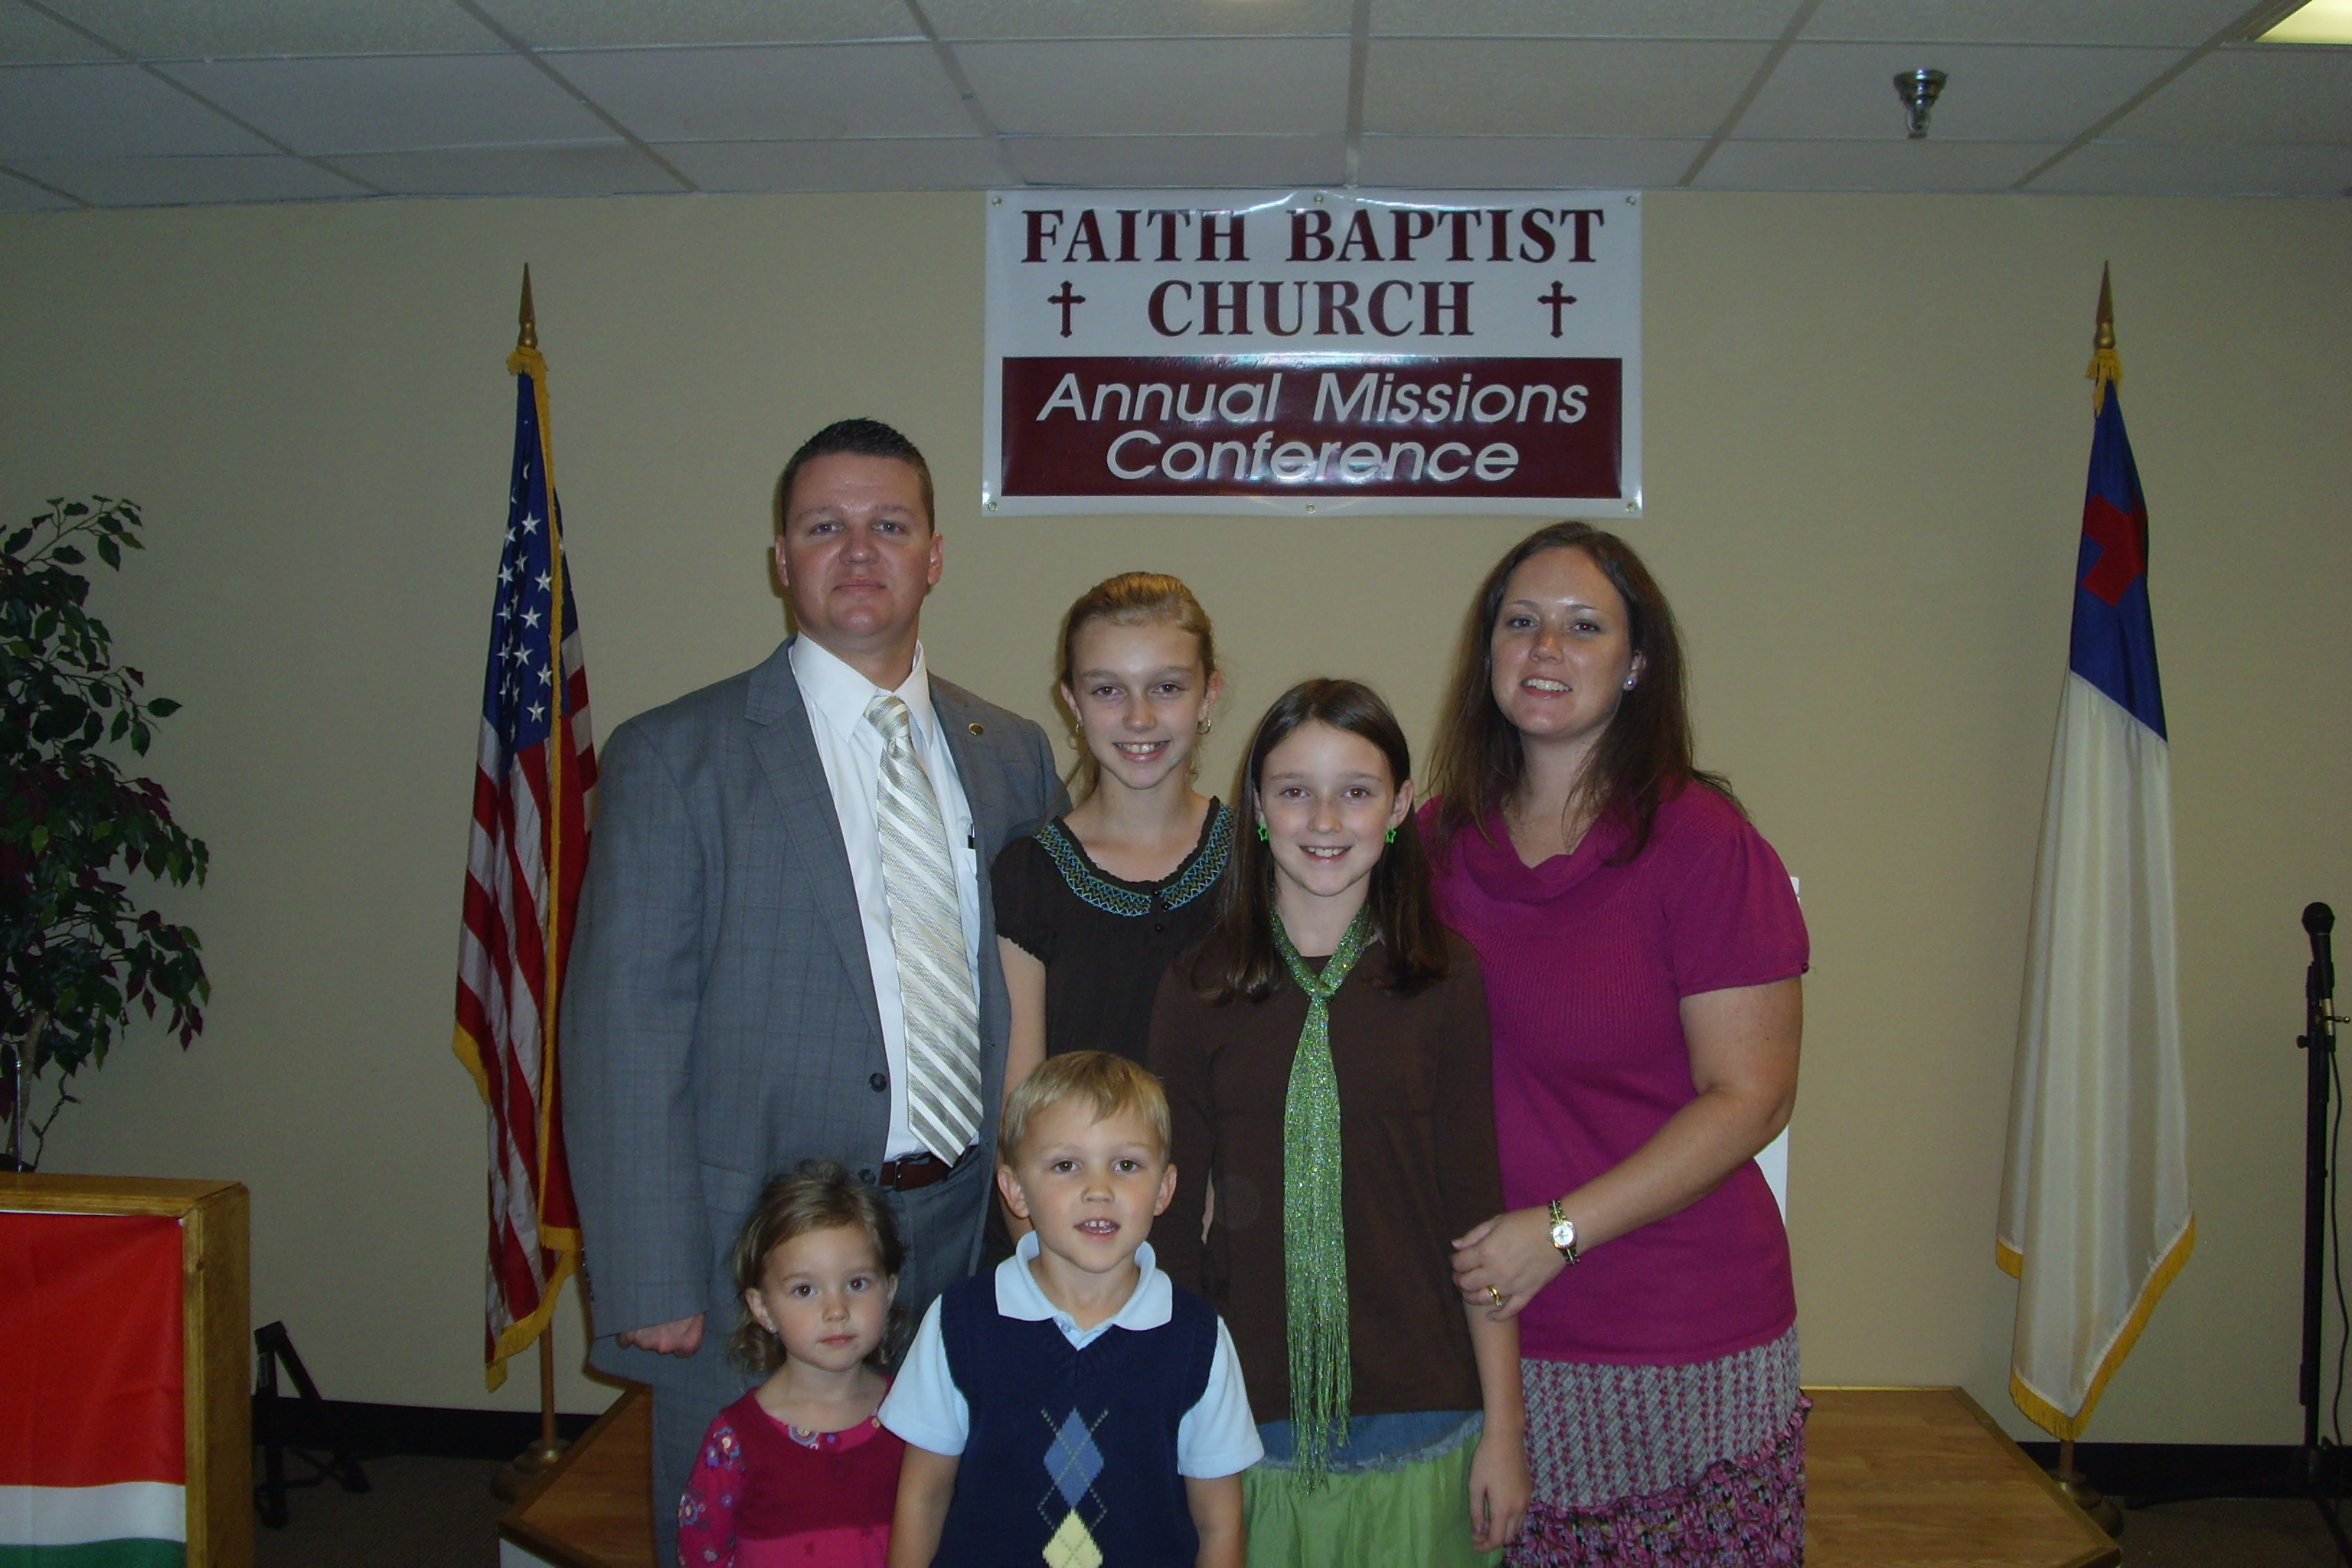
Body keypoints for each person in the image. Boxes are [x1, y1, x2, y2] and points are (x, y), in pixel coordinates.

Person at [564, 418, 1063, 1562]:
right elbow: (622, 1031)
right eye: (824, 526)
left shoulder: (1010, 751)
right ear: (781, 559)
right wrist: (647, 1271)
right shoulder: (675, 756)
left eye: (889, 525)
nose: (859, 550)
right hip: (756, 1265)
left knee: (954, 1534)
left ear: (935, 555)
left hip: (963, 1246)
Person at [1429, 523, 1808, 1566]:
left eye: (1583, 626)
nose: (1545, 649)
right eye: (1521, 622)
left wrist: (1557, 1234)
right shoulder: (1431, 847)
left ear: (1637, 663)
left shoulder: (1705, 845)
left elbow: (1753, 1095)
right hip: (1485, 1332)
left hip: (1674, 1335)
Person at [1148, 679, 1530, 1566]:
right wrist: (1171, 1408)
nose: (1324, 819)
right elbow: (1168, 1226)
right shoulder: (1199, 986)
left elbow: (1477, 1214)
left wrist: (1505, 1428)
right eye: (1294, 790)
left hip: (1425, 1403)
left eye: (1356, 791)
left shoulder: (1444, 978)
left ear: (1398, 806)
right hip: (1248, 1412)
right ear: (1256, 807)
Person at [880, 1050, 1260, 1568]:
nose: (1098, 1190)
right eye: (1066, 1166)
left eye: (1126, 1165)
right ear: (1016, 1190)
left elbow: (1219, 1524)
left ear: (1164, 1189)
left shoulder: (1198, 1340)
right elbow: (923, 1498)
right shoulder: (959, 1325)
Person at [994, 570, 1231, 1076]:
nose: (1139, 718)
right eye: (1108, 690)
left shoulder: (1261, 860)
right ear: (1073, 702)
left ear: (1208, 694)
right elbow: (1023, 1099)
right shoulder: (1029, 878)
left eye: (1166, 687)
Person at [678, 1161, 907, 1568]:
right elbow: (703, 1553)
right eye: (804, 1290)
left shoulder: (914, 1416)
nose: (836, 1310)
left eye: (857, 1284)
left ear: (889, 1290)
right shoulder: (735, 1439)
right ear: (762, 1307)